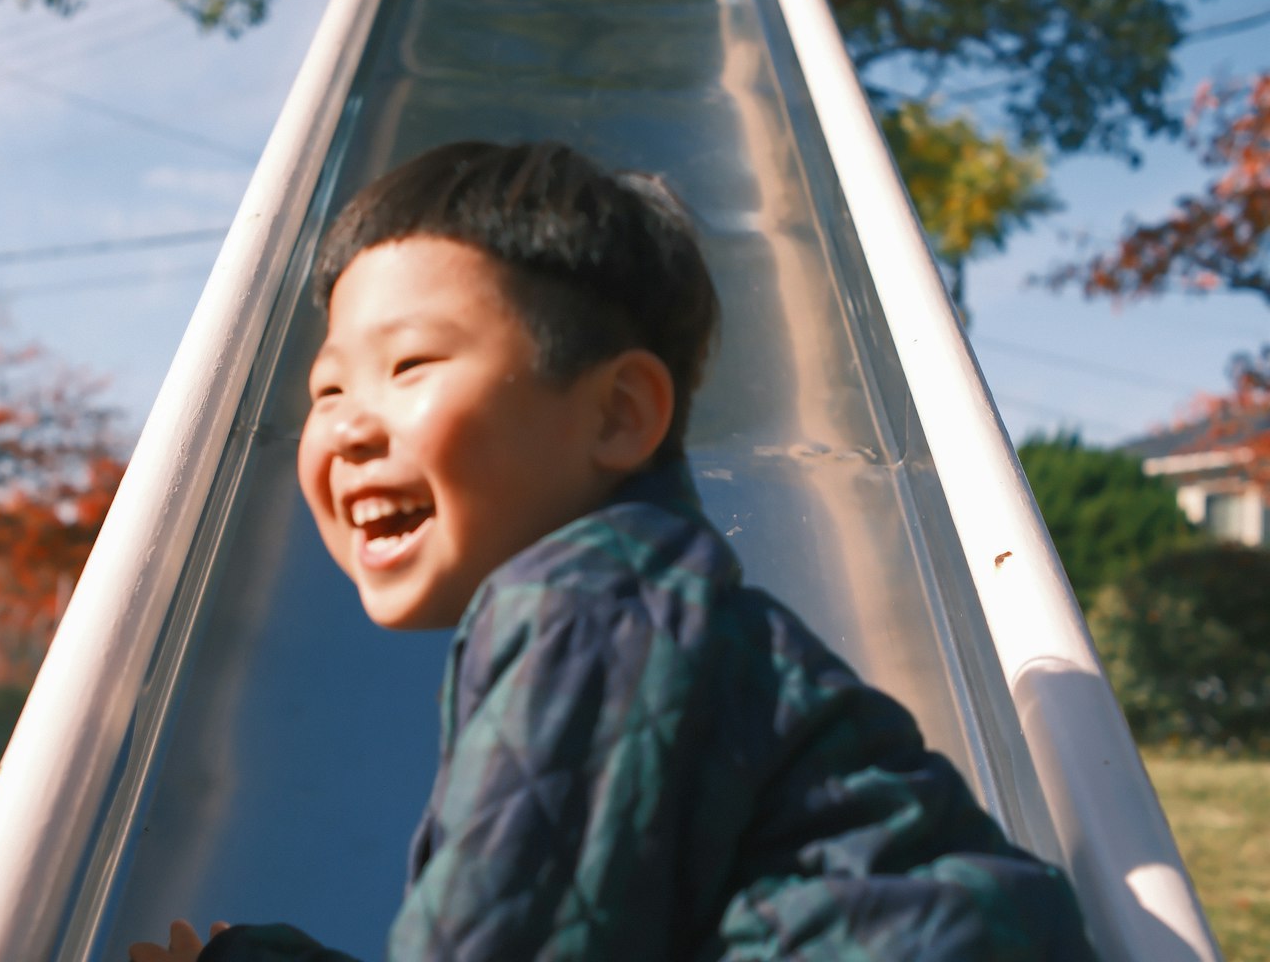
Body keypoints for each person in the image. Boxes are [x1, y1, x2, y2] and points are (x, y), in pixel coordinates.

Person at [132, 141, 1096, 962]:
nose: (345, 428)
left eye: (410, 365)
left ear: (618, 413)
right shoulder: (637, 605)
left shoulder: (585, 609)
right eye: (328, 390)